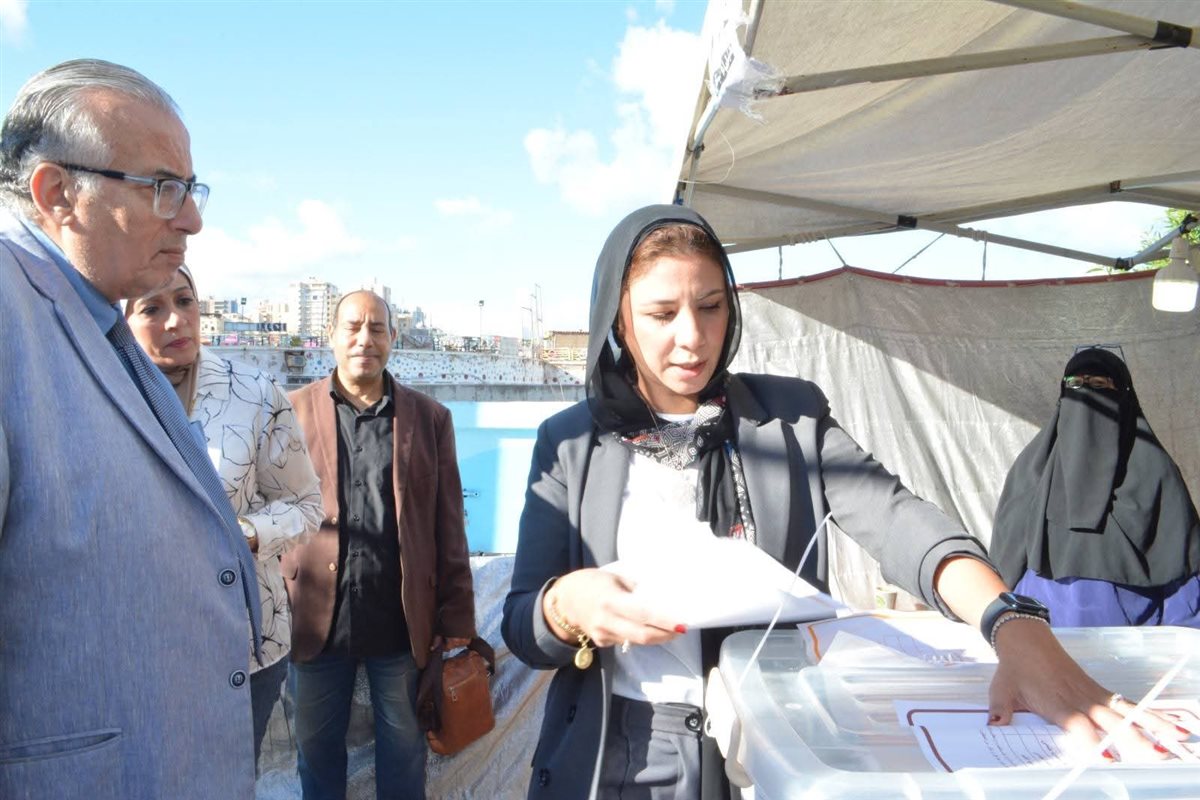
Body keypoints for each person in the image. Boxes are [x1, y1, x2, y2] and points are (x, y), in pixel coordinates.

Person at [501, 205, 1187, 800]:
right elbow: (523, 624)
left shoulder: (789, 419)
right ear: (618, 318)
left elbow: (898, 520)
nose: (693, 336)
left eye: (710, 306)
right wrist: (567, 605)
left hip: (768, 741)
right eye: (661, 314)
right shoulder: (570, 443)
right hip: (617, 751)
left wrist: (1015, 627)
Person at [0, 59, 261, 797]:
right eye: (162, 187)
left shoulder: (97, 322)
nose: (192, 219)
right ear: (57, 194)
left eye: (191, 189)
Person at [282, 290, 477, 799]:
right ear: (331, 336)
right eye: (352, 327)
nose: (364, 339)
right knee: (316, 755)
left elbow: (449, 525)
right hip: (315, 621)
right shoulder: (291, 411)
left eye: (377, 328)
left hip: (401, 623)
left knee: (405, 752)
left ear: (392, 337)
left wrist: (457, 616)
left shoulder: (430, 419)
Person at [125, 265, 324, 764]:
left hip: (245, 645)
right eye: (152, 308)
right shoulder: (102, 393)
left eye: (185, 301)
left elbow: (306, 506)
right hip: (137, 646)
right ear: (121, 321)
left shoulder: (254, 393)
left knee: (229, 777)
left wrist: (249, 533)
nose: (176, 320)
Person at [989, 346, 1200, 626]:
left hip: (1133, 641)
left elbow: (1183, 570)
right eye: (1075, 384)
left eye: (1100, 385)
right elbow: (1006, 560)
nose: (1086, 393)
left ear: (1123, 394)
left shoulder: (1158, 474)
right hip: (1044, 634)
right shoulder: (1032, 471)